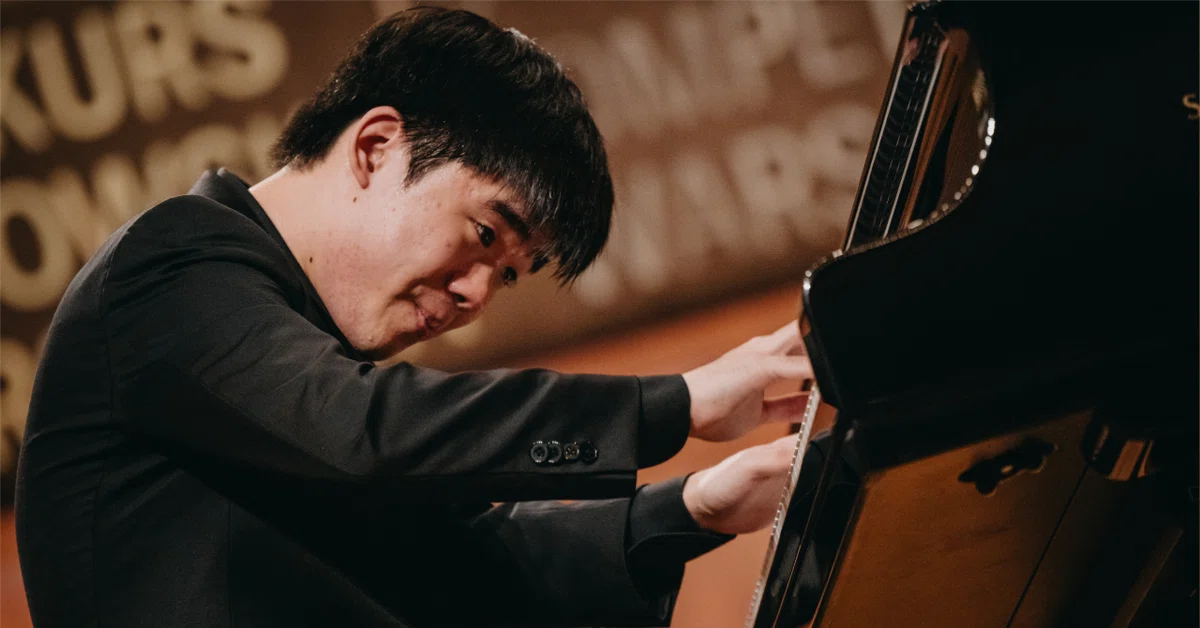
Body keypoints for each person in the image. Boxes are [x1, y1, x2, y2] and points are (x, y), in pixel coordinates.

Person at [15, 8, 811, 627]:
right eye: (485, 235)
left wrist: (696, 504)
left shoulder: (304, 371)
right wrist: (676, 403)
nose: (476, 296)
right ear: (376, 147)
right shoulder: (169, 266)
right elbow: (362, 430)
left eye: (507, 275)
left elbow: (481, 558)